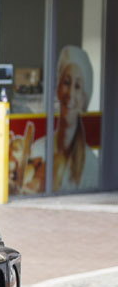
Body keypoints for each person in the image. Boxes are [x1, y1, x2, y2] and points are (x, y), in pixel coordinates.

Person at [52, 45, 98, 191]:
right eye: (66, 82)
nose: (70, 93)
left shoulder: (92, 166)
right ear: (58, 89)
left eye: (77, 86)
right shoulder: (38, 151)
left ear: (84, 100)